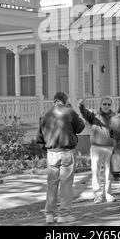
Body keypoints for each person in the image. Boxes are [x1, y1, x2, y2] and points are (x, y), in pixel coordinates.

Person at [36, 91, 85, 224]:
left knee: (52, 184)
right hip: (67, 151)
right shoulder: (69, 112)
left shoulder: (45, 114)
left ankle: (49, 214)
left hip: (52, 152)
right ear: (65, 101)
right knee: (66, 184)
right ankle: (64, 214)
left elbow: (40, 136)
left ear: (54, 101)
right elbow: (80, 127)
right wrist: (73, 111)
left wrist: (43, 152)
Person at [79, 97, 116, 204]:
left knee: (108, 173)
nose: (107, 106)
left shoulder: (114, 117)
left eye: (109, 104)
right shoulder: (94, 115)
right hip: (96, 147)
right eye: (104, 104)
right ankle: (98, 195)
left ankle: (108, 194)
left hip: (109, 147)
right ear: (100, 105)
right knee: (96, 172)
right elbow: (84, 113)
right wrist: (81, 106)